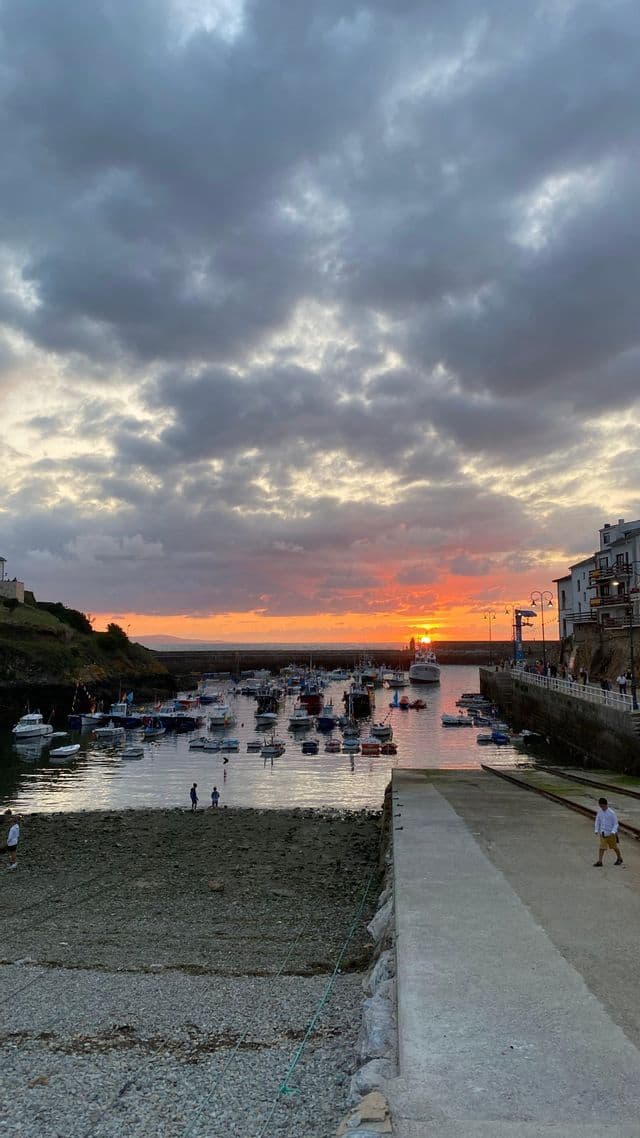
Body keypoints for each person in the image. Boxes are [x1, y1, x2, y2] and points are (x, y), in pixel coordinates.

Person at [593, 797, 623, 867]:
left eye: (603, 806)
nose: (602, 808)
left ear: (606, 805)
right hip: (602, 833)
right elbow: (597, 821)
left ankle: (619, 858)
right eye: (600, 806)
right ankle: (600, 861)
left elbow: (616, 824)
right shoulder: (599, 812)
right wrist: (596, 829)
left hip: (610, 833)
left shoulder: (612, 813)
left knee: (614, 847)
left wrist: (613, 832)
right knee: (601, 847)